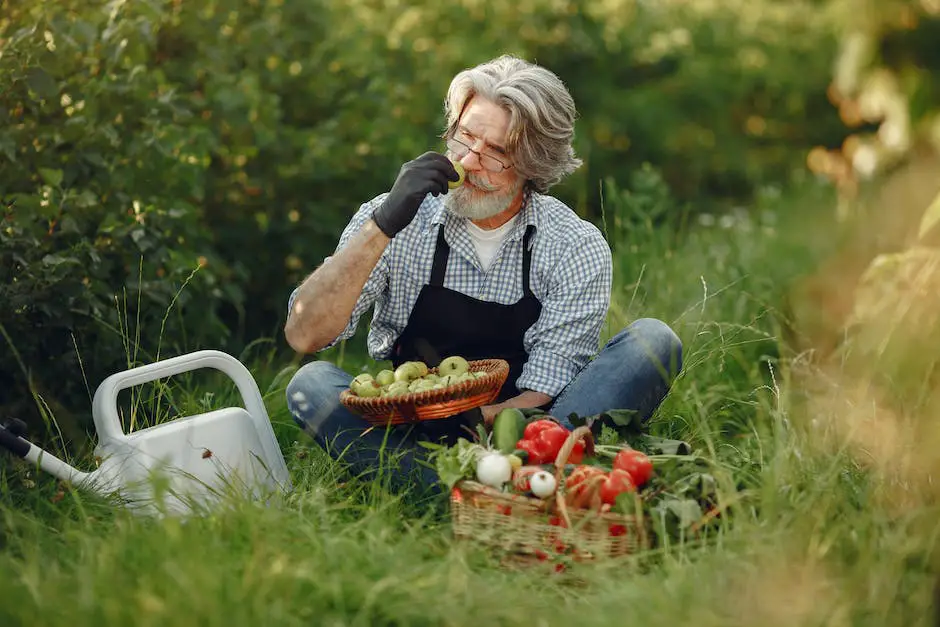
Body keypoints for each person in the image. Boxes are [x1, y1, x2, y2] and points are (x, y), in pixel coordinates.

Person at [283, 55, 683, 492]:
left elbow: (547, 390)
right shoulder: (397, 220)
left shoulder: (573, 245)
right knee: (312, 384)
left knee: (653, 341)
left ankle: (475, 481)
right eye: (465, 138)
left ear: (535, 165)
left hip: (529, 428)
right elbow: (305, 335)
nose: (470, 162)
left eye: (497, 153)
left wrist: (473, 425)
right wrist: (382, 224)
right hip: (416, 426)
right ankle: (496, 493)